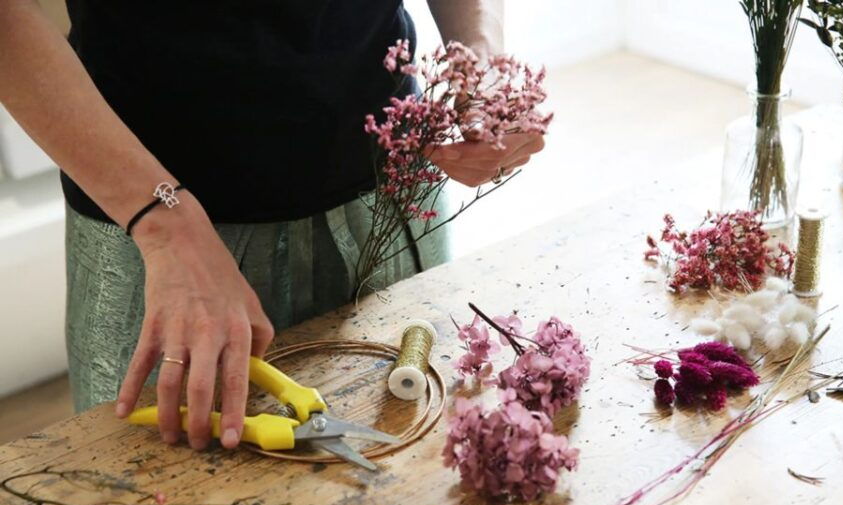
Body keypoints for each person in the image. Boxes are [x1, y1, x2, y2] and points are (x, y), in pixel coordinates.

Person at [0, 0, 545, 450]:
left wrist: (480, 57)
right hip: (158, 232)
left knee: (413, 467)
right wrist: (166, 224)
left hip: (387, 187)